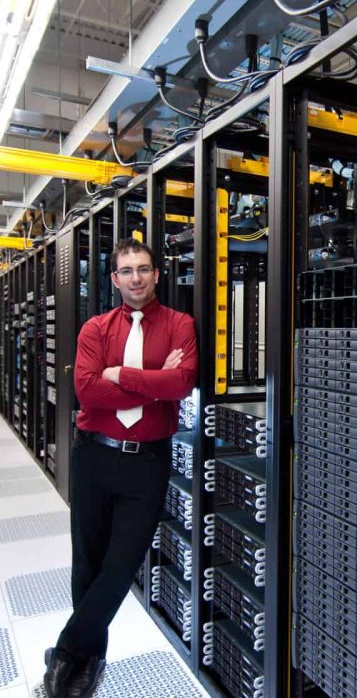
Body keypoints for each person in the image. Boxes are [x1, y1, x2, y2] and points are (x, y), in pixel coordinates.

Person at [43, 238, 198, 698]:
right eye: (127, 271)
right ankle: (90, 661)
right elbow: (88, 392)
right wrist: (154, 385)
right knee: (87, 564)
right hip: (94, 456)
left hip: (146, 463)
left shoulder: (179, 325)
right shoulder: (95, 328)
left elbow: (183, 384)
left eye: (144, 269)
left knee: (120, 565)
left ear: (156, 274)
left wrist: (122, 376)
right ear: (114, 279)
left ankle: (67, 651)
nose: (136, 278)